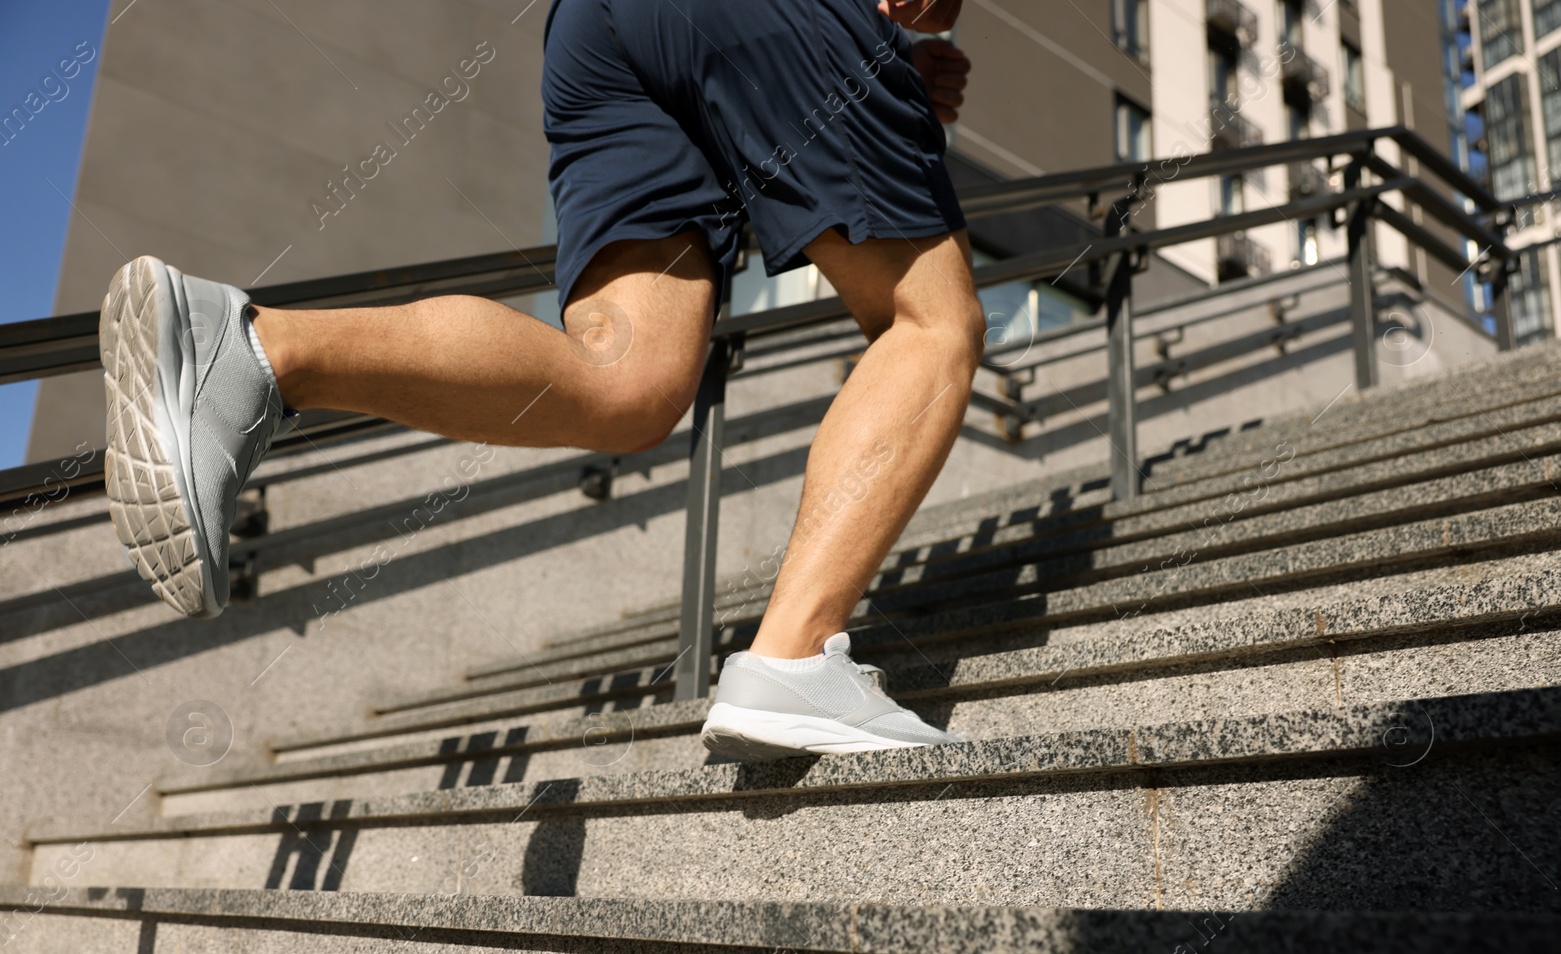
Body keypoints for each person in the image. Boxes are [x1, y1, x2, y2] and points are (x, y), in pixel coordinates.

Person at [97, 0, 982, 760]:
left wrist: (882, 53)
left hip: (598, 29)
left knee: (627, 379)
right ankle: (792, 658)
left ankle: (253, 353)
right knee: (930, 320)